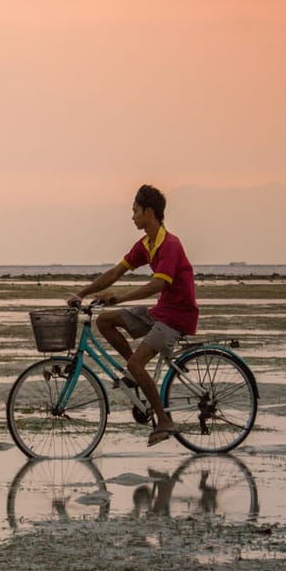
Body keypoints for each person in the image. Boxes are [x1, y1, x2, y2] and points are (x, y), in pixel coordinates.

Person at [69, 184, 198, 445]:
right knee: (105, 321)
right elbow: (115, 273)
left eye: (135, 211)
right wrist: (82, 293)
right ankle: (134, 376)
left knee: (137, 363)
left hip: (177, 317)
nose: (132, 216)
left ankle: (164, 421)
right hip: (160, 312)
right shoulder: (146, 244)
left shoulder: (170, 245)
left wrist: (120, 298)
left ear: (148, 212)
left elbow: (157, 285)